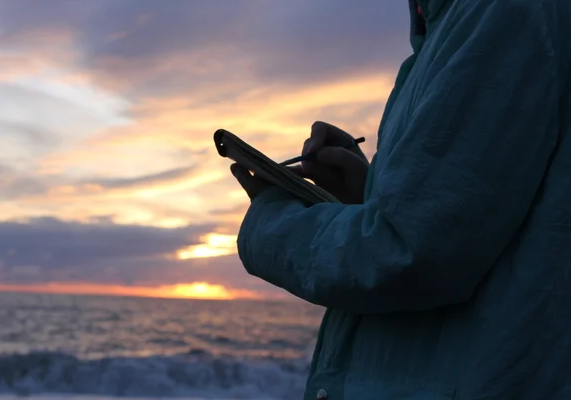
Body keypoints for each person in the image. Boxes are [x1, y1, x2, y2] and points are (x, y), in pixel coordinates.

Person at [231, 0, 571, 398]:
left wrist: (268, 224)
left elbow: (411, 253)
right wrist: (366, 192)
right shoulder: (446, 28)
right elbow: (466, 217)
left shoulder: (497, 12)